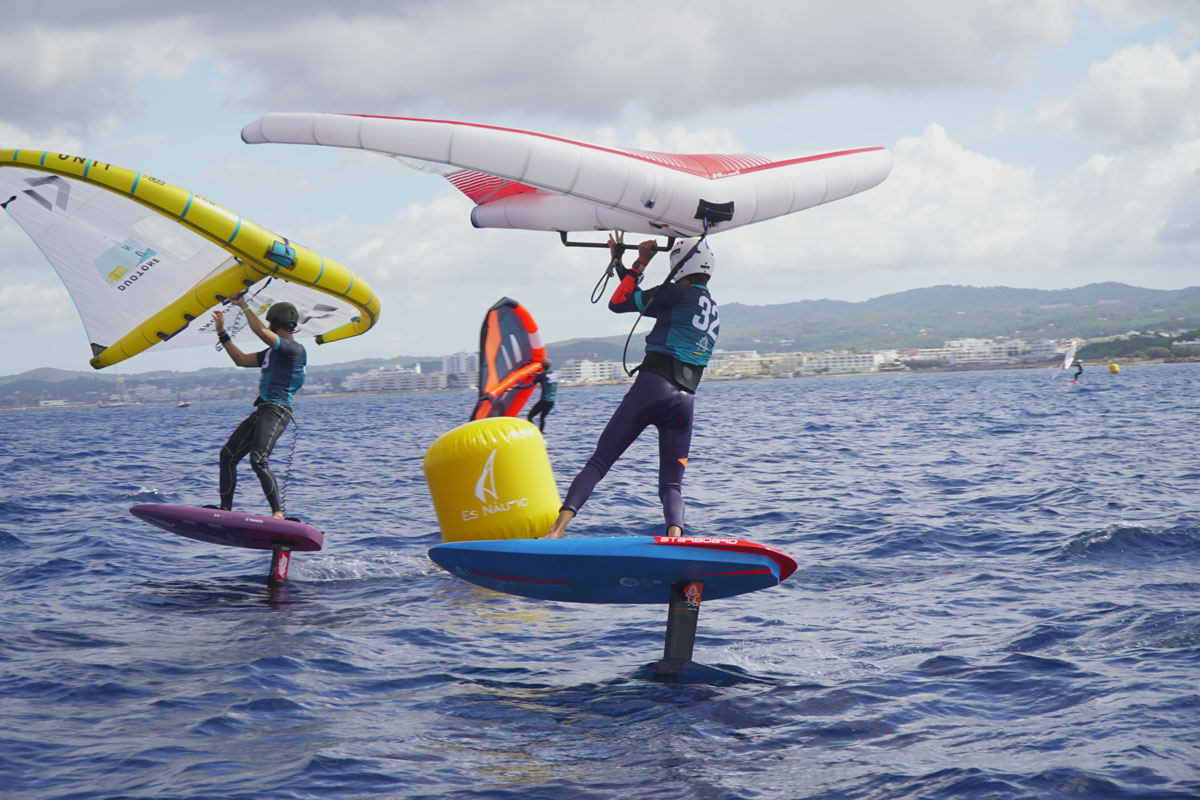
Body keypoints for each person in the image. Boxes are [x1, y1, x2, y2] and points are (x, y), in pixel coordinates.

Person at [546, 231, 718, 539]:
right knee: (671, 485)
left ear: (677, 264)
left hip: (652, 389)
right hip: (685, 403)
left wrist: (641, 260)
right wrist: (620, 262)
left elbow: (619, 302)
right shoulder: (710, 308)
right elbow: (640, 297)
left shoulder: (674, 295)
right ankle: (676, 538)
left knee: (599, 462)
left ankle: (556, 532)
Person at [211, 294, 306, 518]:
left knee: (258, 459)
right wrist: (221, 333)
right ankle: (225, 509)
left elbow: (262, 333)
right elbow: (241, 360)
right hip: (263, 410)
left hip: (277, 411)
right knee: (227, 455)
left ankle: (278, 513)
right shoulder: (271, 353)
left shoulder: (294, 349)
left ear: (274, 322)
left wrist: (243, 305)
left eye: (269, 322)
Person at [525, 359, 558, 432]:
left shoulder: (541, 376)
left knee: (530, 417)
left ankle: (535, 432)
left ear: (541, 366)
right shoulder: (554, 374)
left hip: (544, 401)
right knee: (542, 418)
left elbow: (528, 386)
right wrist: (538, 375)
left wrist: (517, 386)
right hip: (551, 402)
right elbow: (546, 377)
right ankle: (540, 433)